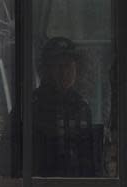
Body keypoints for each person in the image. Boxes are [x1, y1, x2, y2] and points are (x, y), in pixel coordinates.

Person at [32, 37, 94, 177]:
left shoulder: (82, 107)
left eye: (70, 66)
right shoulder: (32, 106)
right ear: (47, 70)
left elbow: (88, 156)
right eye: (59, 66)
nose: (65, 72)